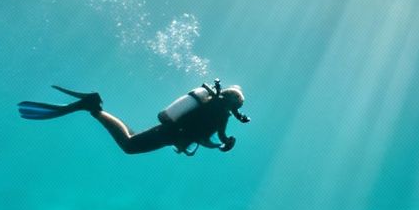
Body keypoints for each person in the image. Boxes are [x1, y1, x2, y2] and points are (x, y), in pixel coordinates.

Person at [17, 80, 250, 156]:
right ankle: (92, 107)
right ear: (234, 105)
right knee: (129, 145)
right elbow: (210, 138)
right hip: (169, 134)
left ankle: (93, 107)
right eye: (238, 106)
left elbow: (211, 136)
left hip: (169, 132)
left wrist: (221, 142)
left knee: (131, 138)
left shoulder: (211, 106)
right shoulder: (220, 115)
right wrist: (222, 145)